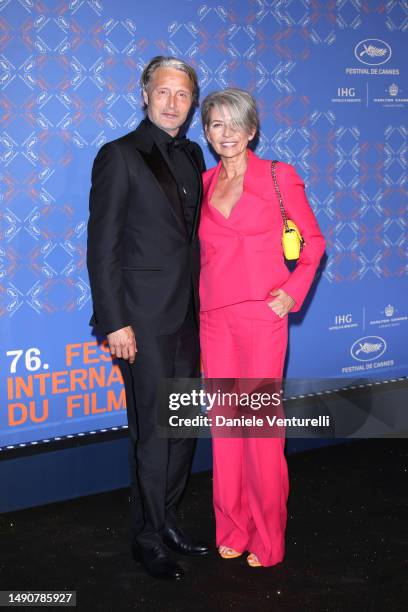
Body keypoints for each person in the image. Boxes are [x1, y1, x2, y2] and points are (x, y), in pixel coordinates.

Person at [87, 56, 209, 581]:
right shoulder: (119, 155)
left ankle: (169, 519)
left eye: (183, 94)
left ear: (192, 101)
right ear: (144, 94)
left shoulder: (195, 155)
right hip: (141, 319)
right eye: (163, 92)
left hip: (189, 315)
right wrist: (115, 322)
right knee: (154, 433)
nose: (173, 102)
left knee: (181, 428)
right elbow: (102, 247)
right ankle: (147, 537)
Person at [199, 88, 326, 567]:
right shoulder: (205, 182)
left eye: (235, 124)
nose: (226, 133)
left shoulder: (277, 175)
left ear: (252, 129)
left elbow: (313, 243)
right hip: (214, 319)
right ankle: (232, 526)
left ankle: (268, 538)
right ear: (206, 132)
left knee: (260, 429)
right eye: (216, 124)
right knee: (226, 429)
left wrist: (292, 292)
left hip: (261, 316)